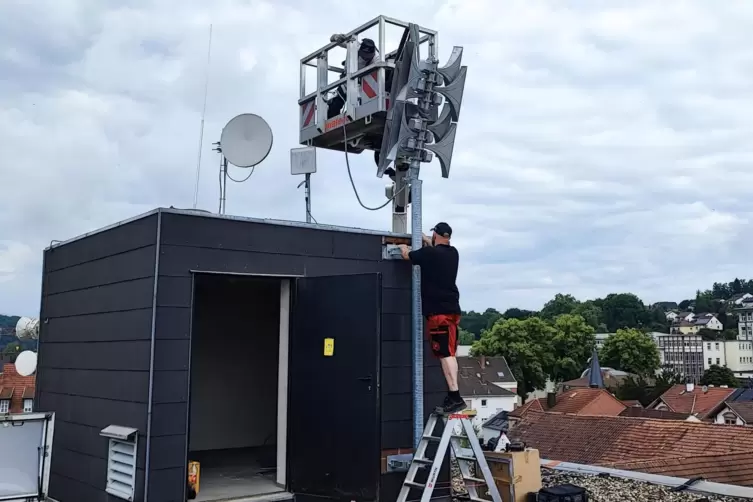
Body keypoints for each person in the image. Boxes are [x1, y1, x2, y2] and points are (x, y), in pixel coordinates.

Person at [398, 222, 464, 414]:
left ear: (435, 234)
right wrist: (427, 240)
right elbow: (437, 250)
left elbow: (406, 256)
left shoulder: (429, 254)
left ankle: (455, 395)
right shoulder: (453, 254)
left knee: (445, 353)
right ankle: (454, 394)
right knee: (450, 351)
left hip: (437, 313)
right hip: (452, 309)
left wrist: (403, 247)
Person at [327, 37, 380, 119]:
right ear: (360, 51)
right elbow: (333, 39)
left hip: (363, 85)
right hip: (346, 81)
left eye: (368, 57)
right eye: (364, 56)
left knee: (363, 105)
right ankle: (333, 122)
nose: (366, 58)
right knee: (334, 105)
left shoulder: (376, 58)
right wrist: (337, 37)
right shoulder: (353, 46)